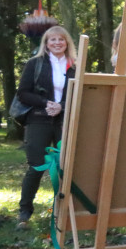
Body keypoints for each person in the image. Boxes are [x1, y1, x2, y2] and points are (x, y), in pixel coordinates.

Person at [16, 25, 77, 227]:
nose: (57, 43)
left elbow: (83, 94)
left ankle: (64, 212)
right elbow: (23, 93)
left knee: (65, 167)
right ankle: (24, 212)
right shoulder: (35, 64)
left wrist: (61, 107)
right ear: (46, 43)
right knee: (36, 166)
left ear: (67, 42)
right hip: (39, 119)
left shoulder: (76, 65)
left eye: (61, 39)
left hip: (65, 121)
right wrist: (46, 104)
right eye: (53, 40)